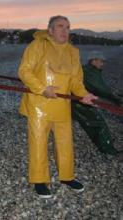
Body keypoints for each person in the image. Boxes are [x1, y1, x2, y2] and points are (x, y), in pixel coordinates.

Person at [18, 15, 97, 198]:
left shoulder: (73, 51)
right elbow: (24, 70)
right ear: (50, 30)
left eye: (67, 27)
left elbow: (76, 80)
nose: (64, 30)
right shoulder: (37, 45)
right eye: (60, 26)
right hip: (39, 104)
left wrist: (83, 95)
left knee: (65, 142)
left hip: (62, 104)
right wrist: (42, 89)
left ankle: (67, 176)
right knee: (38, 143)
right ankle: (39, 180)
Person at [72, 51, 122, 155]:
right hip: (77, 102)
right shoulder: (90, 72)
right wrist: (117, 99)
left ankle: (106, 145)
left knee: (95, 122)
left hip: (78, 100)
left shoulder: (88, 70)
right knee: (97, 122)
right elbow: (102, 89)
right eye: (101, 61)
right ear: (93, 61)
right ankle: (108, 150)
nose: (103, 64)